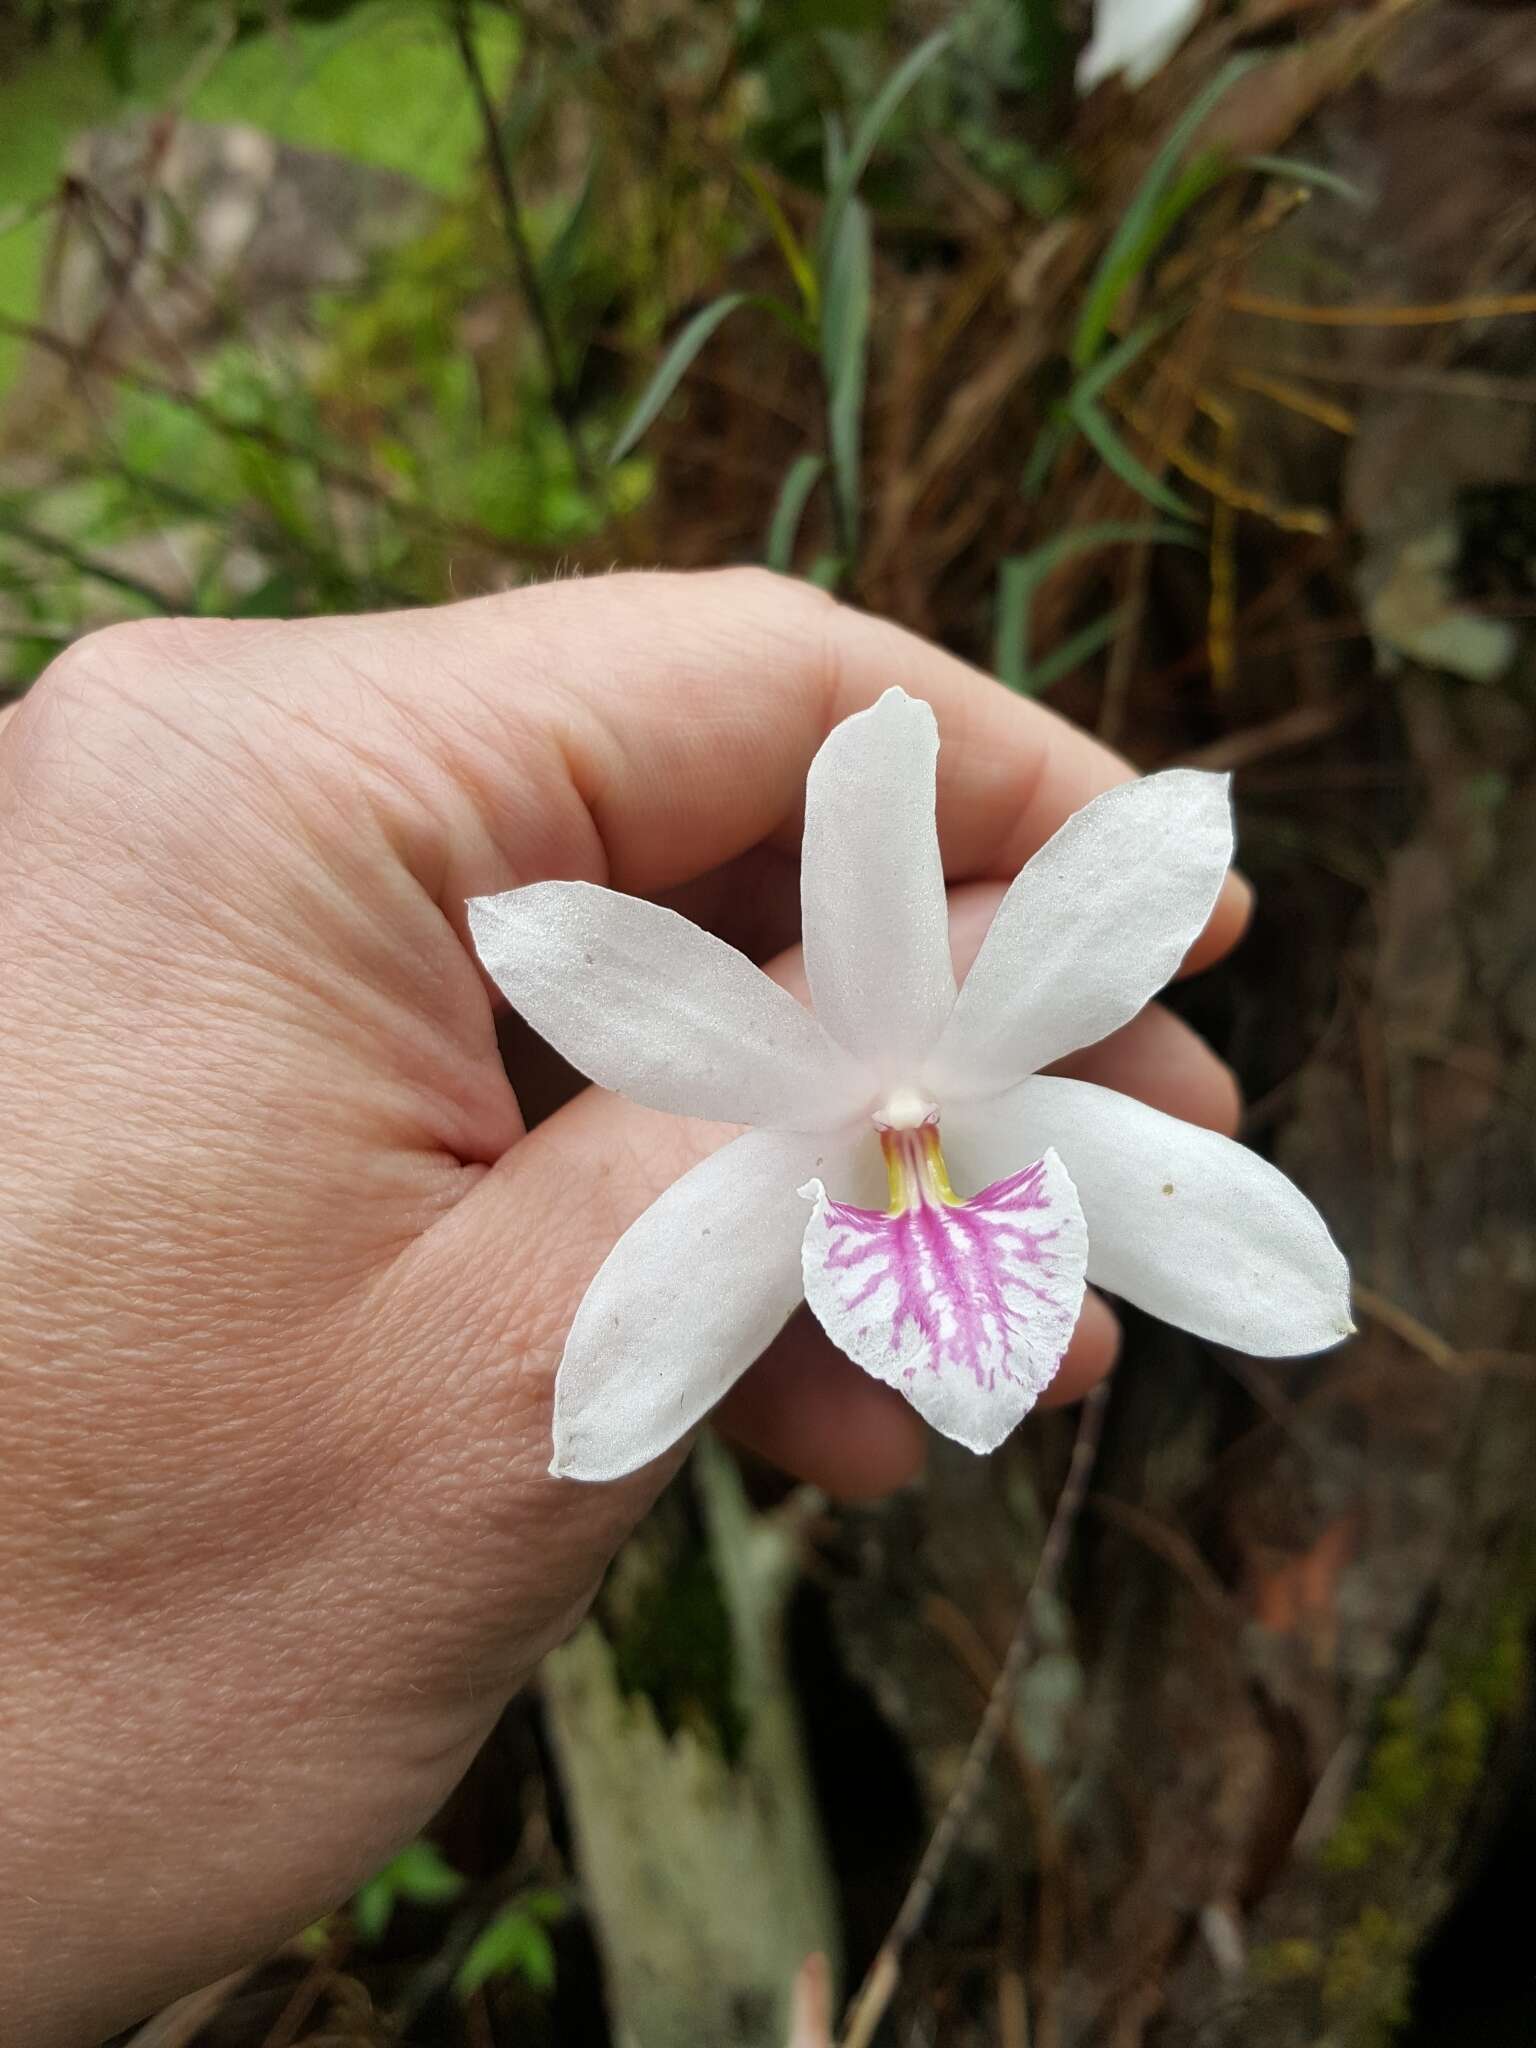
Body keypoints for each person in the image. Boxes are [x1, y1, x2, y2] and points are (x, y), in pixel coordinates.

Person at [0, 570, 1246, 2046]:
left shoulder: (992, 1128)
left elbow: (1231, 1245)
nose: (910, 1150)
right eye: (896, 1157)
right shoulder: (753, 1165)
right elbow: (630, 1364)